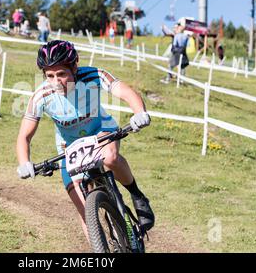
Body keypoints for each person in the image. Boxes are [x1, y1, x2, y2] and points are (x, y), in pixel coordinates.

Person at [16, 40, 155, 239]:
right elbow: (24, 135)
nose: (56, 82)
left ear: (74, 67)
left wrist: (139, 112)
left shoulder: (94, 75)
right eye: (50, 76)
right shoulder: (41, 96)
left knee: (110, 158)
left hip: (100, 129)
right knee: (84, 210)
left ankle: (136, 194)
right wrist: (24, 162)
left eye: (62, 74)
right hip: (69, 146)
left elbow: (124, 91)